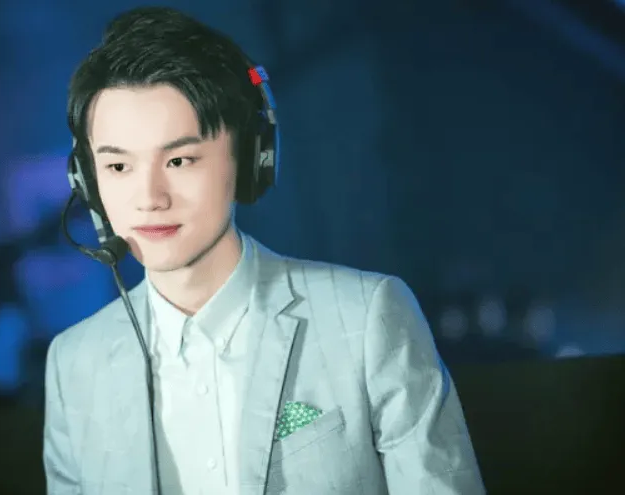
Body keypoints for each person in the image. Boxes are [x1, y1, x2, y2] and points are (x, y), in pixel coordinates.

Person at [43, 6, 485, 495]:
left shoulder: (367, 319)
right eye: (118, 167)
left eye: (180, 160)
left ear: (253, 158)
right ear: (86, 181)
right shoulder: (72, 363)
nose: (149, 198)